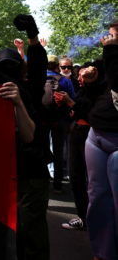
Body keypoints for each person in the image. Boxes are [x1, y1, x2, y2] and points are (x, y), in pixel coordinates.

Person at [0, 13, 52, 260]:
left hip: (31, 171)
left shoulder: (30, 89)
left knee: (31, 232)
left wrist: (33, 36)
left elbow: (39, 67)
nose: (8, 73)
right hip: (3, 172)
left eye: (13, 67)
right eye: (3, 68)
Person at [85, 26, 118, 260]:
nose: (108, 38)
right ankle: (103, 252)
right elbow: (106, 93)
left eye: (114, 34)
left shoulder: (112, 55)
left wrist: (111, 52)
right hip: (96, 134)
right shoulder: (108, 57)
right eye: (109, 34)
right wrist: (91, 82)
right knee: (97, 197)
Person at [58, 64, 104, 231]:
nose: (79, 79)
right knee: (75, 177)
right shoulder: (82, 90)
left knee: (92, 179)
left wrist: (70, 103)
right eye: (80, 75)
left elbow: (91, 114)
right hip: (76, 133)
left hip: (89, 135)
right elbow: (77, 110)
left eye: (84, 76)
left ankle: (96, 218)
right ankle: (83, 216)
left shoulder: (100, 92)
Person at [46, 55, 76, 193]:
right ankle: (57, 184)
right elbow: (72, 101)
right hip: (60, 120)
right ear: (57, 66)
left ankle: (43, 181)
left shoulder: (37, 77)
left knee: (41, 148)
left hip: (41, 120)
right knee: (58, 152)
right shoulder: (65, 81)